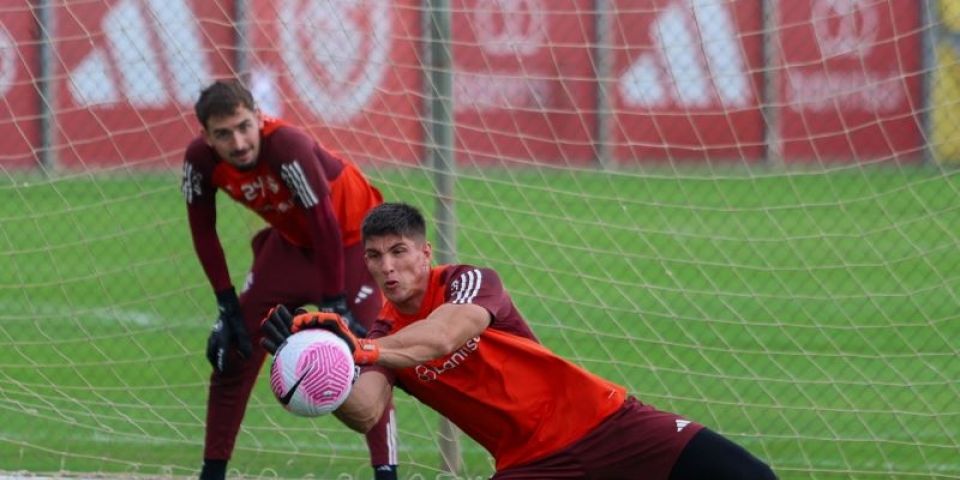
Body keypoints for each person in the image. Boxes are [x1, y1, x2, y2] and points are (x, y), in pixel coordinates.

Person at [261, 202, 778, 479]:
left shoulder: (468, 282)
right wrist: (317, 371)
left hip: (605, 421)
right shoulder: (381, 336)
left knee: (751, 477)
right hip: (530, 466)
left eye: (399, 251)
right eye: (375, 257)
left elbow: (443, 336)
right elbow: (366, 411)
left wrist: (357, 349)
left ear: (425, 252)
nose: (388, 267)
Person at [181, 79, 399, 480]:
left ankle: (386, 471)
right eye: (224, 134)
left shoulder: (287, 146)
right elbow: (203, 231)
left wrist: (334, 303)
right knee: (234, 349)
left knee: (366, 354)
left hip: (352, 242)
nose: (239, 142)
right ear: (206, 137)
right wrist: (226, 304)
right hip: (293, 245)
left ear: (259, 118)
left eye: (244, 126)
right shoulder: (199, 161)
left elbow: (325, 223)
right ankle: (212, 472)